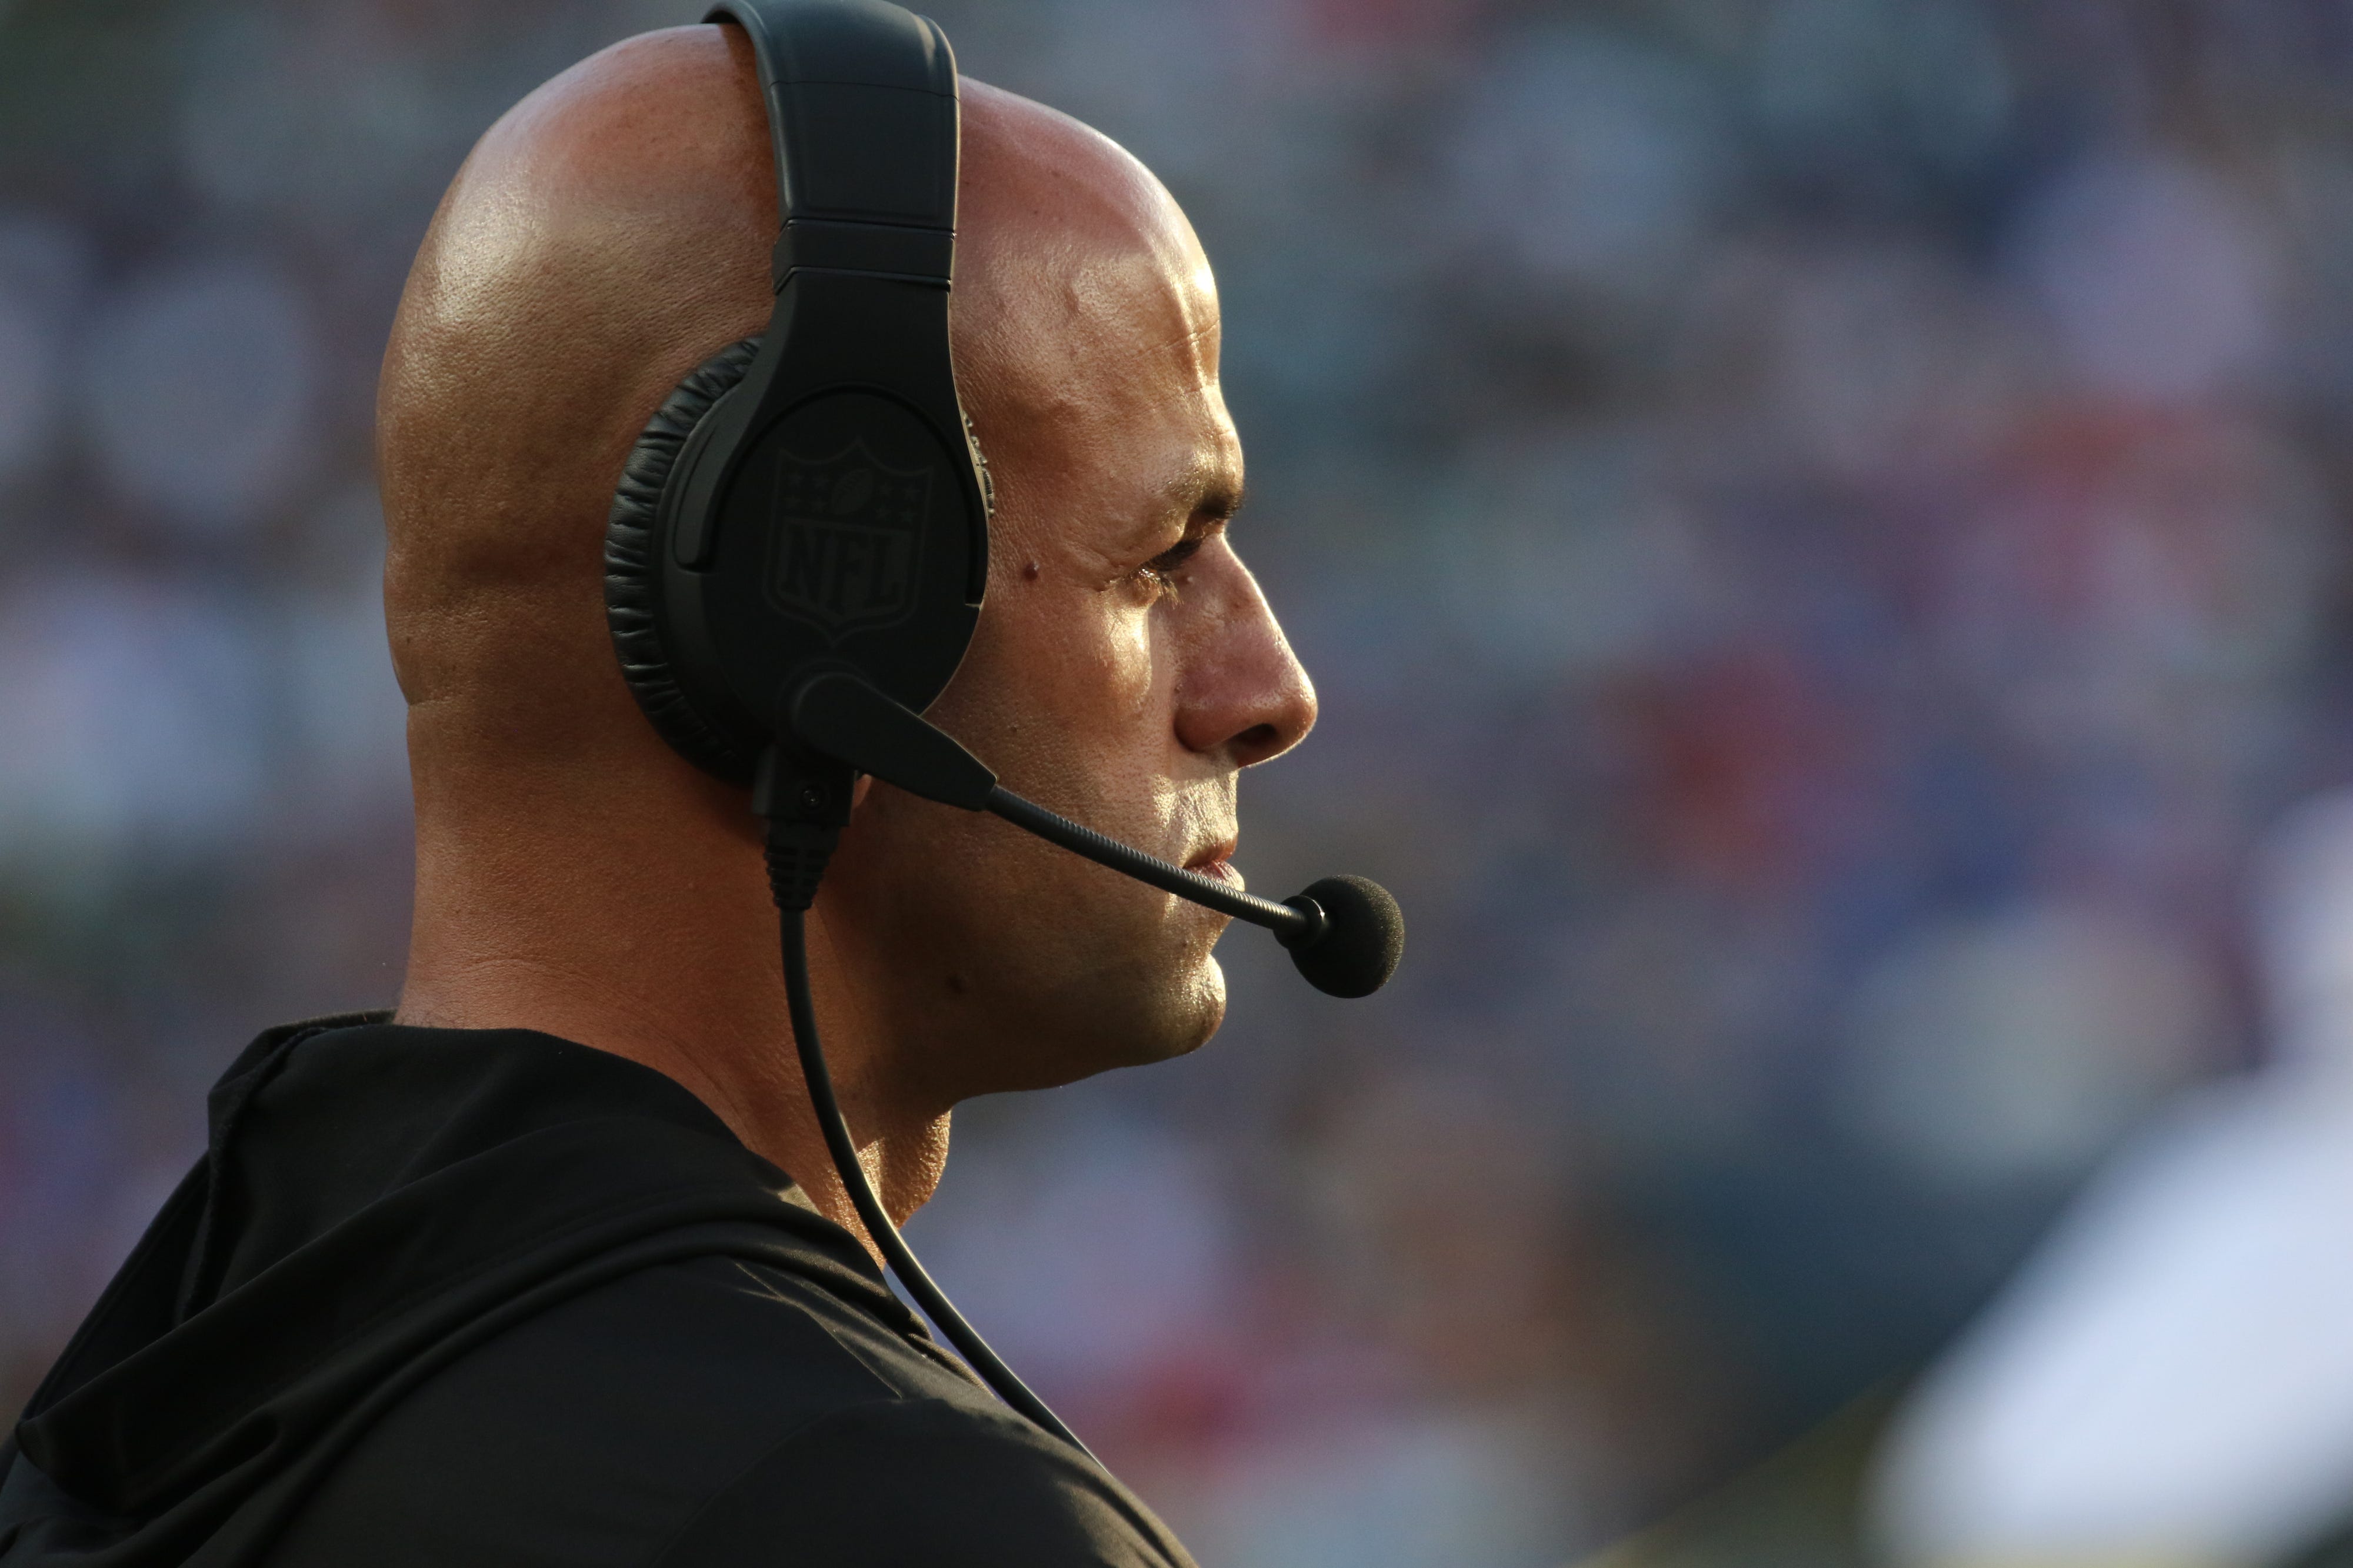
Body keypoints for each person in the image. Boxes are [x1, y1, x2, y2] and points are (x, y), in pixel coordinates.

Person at [0, 15, 1315, 1567]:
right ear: (822, 606)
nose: (1269, 690)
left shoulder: (170, 1417)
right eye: (1161, 559)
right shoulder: (872, 1513)